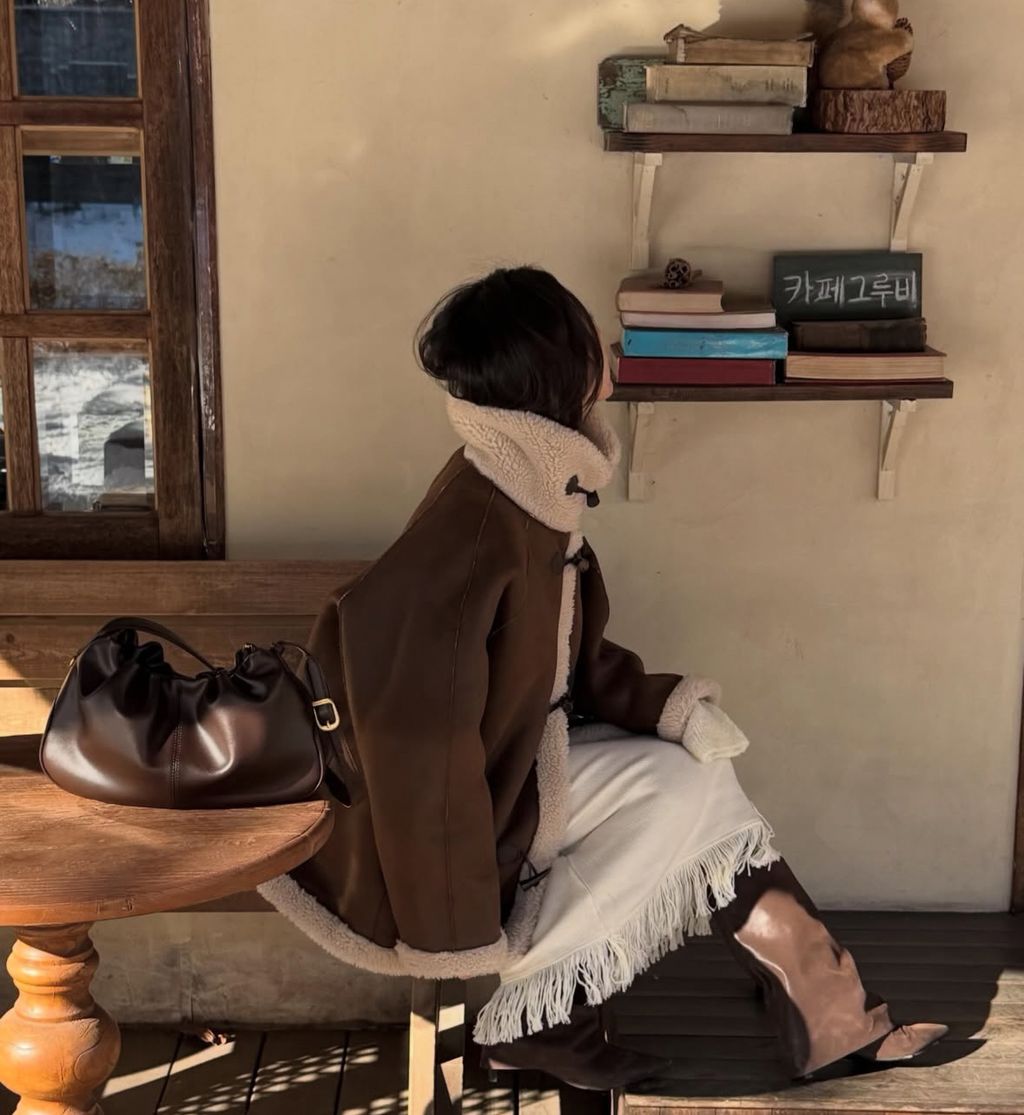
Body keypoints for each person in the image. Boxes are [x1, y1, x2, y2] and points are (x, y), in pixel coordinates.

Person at [259, 266, 947, 1091]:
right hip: (439, 833)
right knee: (685, 795)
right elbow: (416, 748)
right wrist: (455, 931)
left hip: (513, 771)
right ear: (555, 372)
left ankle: (827, 1013)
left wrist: (670, 708)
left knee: (702, 777)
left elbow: (570, 659)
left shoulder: (532, 493)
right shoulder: (482, 523)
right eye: (589, 343)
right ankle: (543, 1019)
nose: (605, 359)